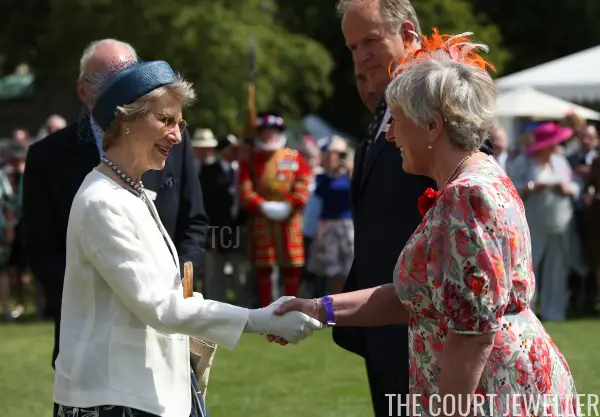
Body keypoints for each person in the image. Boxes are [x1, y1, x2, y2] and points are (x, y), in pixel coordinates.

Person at [272, 30, 578, 417]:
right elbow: (414, 294)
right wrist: (318, 308)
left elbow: (473, 333)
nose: (390, 133)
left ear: (433, 126)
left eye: (397, 121)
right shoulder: (471, 182)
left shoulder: (468, 196)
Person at [52, 59, 321, 417]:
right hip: (113, 398)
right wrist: (262, 318)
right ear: (125, 121)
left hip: (152, 389)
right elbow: (159, 306)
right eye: (165, 120)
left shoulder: (131, 191)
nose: (178, 135)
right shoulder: (102, 201)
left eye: (180, 123)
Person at [21, 39, 209, 370]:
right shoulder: (48, 157)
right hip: (89, 338)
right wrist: (99, 298)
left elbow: (193, 225)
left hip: (169, 332)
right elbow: (40, 249)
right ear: (82, 90)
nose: (120, 87)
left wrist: (180, 291)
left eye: (129, 76)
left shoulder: (173, 141)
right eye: (106, 79)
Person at [510, 122, 583, 321]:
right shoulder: (524, 162)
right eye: (553, 143)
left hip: (561, 223)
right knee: (529, 268)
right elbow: (511, 187)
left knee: (558, 268)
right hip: (534, 223)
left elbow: (576, 184)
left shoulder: (560, 161)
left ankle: (554, 312)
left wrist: (569, 189)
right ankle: (526, 312)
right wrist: (532, 187)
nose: (556, 147)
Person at [237, 111, 311, 307]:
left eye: (274, 131)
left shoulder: (294, 157)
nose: (269, 135)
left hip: (289, 221)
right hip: (263, 221)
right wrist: (261, 205)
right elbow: (244, 189)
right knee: (264, 270)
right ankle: (266, 311)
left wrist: (291, 204)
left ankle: (293, 308)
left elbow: (304, 182)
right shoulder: (250, 159)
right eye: (265, 131)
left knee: (292, 270)